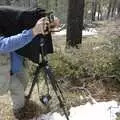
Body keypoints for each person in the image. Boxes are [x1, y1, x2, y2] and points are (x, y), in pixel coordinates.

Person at [0, 16, 60, 118]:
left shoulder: (6, 19)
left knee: (24, 79)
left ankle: (19, 101)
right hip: (3, 72)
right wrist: (33, 31)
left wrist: (47, 21)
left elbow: (25, 17)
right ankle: (19, 112)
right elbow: (5, 45)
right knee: (18, 88)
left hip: (14, 67)